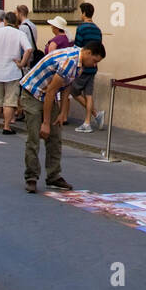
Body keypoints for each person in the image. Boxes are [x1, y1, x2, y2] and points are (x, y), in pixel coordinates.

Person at [18, 41, 106, 193]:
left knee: (55, 137)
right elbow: (51, 91)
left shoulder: (79, 64)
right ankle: (31, 177)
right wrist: (45, 122)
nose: (94, 65)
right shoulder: (69, 61)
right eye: (95, 61)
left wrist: (62, 113)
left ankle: (53, 176)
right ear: (88, 53)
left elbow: (66, 87)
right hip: (33, 92)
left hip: (47, 95)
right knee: (35, 136)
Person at [0, 11, 30, 135]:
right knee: (10, 100)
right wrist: (22, 63)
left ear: (5, 21)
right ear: (15, 22)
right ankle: (6, 126)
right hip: (12, 71)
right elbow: (28, 49)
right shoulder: (19, 33)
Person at [71, 3, 104, 132]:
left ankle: (94, 116)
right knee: (89, 94)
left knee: (73, 91)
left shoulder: (81, 29)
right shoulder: (97, 29)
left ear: (84, 13)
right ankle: (89, 121)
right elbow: (99, 49)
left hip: (83, 66)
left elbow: (77, 47)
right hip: (93, 67)